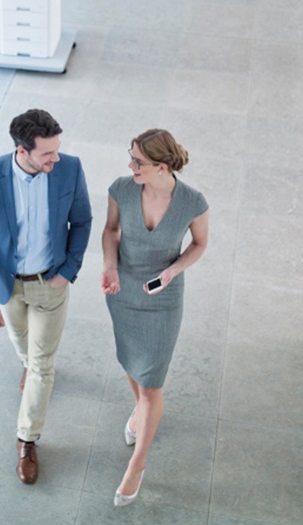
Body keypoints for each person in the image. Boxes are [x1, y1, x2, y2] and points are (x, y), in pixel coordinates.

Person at [0, 109, 92, 485]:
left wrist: (67, 272)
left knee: (42, 366)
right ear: (22, 151)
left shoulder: (69, 169)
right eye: (46, 155)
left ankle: (27, 439)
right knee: (21, 342)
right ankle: (28, 361)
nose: (55, 159)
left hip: (49, 282)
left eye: (56, 151)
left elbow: (82, 222)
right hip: (7, 285)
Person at [100, 129, 209, 506]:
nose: (130, 166)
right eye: (130, 157)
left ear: (162, 167)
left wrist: (173, 271)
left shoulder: (193, 202)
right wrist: (109, 266)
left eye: (138, 162)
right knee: (132, 361)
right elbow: (111, 230)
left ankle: (137, 465)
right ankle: (141, 413)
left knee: (151, 384)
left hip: (162, 300)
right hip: (123, 291)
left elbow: (200, 243)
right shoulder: (122, 189)